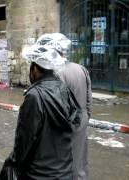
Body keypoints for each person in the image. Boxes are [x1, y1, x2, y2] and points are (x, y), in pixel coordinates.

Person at [0, 47, 82, 180]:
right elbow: (76, 120)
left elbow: (25, 139)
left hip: (39, 175)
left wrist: (12, 163)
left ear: (36, 69)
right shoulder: (65, 89)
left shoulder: (35, 96)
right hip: (65, 172)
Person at [36, 33, 92, 180]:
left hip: (64, 126)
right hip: (81, 121)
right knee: (79, 159)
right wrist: (84, 119)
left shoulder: (54, 73)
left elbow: (54, 107)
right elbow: (88, 101)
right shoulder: (81, 69)